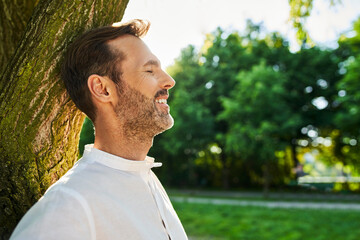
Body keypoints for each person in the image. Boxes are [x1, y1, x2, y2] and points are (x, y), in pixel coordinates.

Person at [10, 19, 188, 240]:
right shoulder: (68, 206)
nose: (169, 81)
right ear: (102, 89)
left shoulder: (148, 179)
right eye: (150, 70)